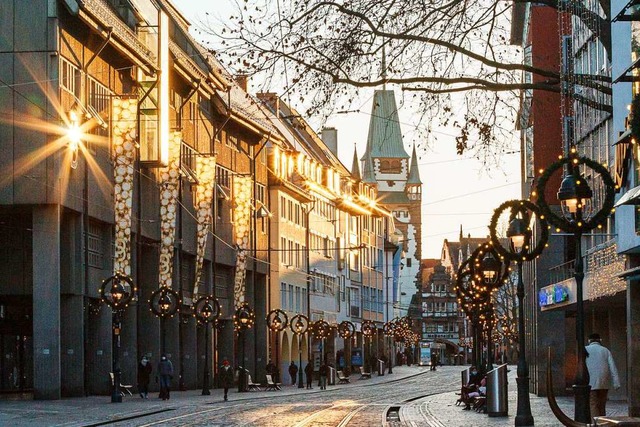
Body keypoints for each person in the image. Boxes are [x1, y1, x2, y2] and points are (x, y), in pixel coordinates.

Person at [585, 333, 621, 420]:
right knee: (602, 405)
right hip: (604, 382)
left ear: (589, 341)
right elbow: (612, 367)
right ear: (600, 340)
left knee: (593, 404)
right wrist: (616, 383)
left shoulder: (585, 349)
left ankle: (595, 423)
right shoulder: (605, 350)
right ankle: (602, 422)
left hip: (590, 381)